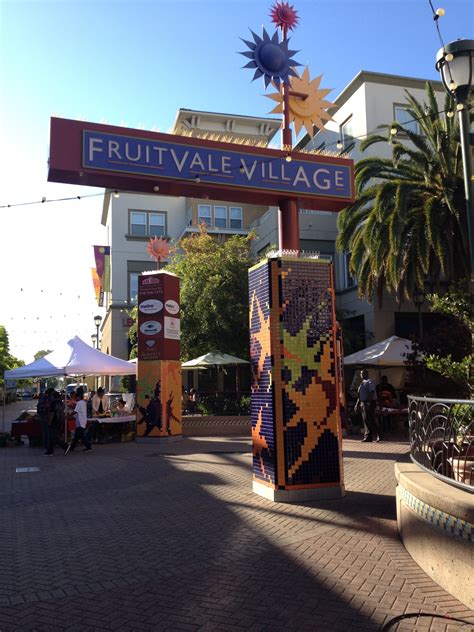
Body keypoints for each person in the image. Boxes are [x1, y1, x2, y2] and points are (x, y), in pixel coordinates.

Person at [65, 388, 92, 453]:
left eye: (76, 397)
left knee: (81, 435)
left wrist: (68, 416)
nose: (75, 398)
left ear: (78, 397)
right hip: (81, 420)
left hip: (80, 421)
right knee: (77, 436)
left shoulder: (79, 403)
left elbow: (75, 411)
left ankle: (88, 446)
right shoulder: (83, 402)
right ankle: (72, 447)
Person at [357, 369, 381, 442]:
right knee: (366, 420)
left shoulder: (369, 382)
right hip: (363, 402)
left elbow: (372, 392)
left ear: (367, 374)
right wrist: (357, 404)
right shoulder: (362, 383)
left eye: (363, 373)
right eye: (361, 373)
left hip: (369, 403)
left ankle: (379, 435)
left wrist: (368, 402)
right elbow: (359, 396)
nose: (361, 375)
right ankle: (368, 437)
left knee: (371, 419)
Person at [44, 391, 68, 456]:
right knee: (53, 436)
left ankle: (65, 446)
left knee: (53, 436)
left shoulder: (53, 403)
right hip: (59, 421)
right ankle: (50, 451)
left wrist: (49, 422)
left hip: (53, 421)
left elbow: (52, 413)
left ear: (53, 396)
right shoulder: (61, 403)